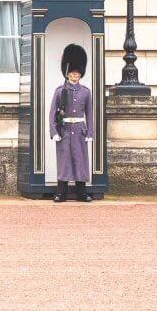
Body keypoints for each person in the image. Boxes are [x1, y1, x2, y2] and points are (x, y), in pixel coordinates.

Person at [48, 44, 94, 202]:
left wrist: (90, 132)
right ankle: (62, 193)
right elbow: (52, 113)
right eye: (72, 72)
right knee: (64, 161)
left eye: (77, 72)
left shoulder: (86, 92)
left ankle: (82, 192)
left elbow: (89, 113)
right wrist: (54, 131)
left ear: (80, 74)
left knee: (80, 161)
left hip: (80, 130)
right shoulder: (60, 91)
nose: (75, 75)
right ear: (67, 74)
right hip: (65, 130)